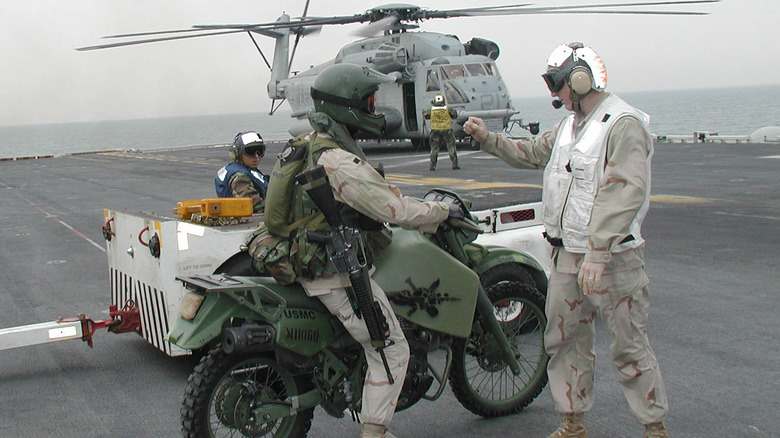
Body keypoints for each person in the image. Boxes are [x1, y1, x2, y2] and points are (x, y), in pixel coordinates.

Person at [464, 42, 669, 438]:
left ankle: (654, 427)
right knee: (563, 341)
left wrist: (597, 251)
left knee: (629, 347)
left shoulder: (622, 123)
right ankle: (572, 423)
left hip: (611, 260)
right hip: (567, 258)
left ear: (580, 78)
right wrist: (489, 139)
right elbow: (531, 152)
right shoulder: (569, 127)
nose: (552, 92)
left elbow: (624, 191)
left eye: (555, 82)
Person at [262, 63, 456, 438]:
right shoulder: (336, 160)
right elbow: (393, 210)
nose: (373, 110)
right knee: (392, 350)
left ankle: (354, 394)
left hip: (301, 260)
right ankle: (374, 432)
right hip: (333, 273)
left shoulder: (306, 144)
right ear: (345, 108)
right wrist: (439, 212)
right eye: (367, 102)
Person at [214, 131, 268, 213]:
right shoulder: (239, 177)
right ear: (238, 154)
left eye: (260, 151)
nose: (256, 156)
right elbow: (256, 207)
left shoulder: (244, 169)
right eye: (250, 151)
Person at [422, 94, 459, 170]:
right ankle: (454, 164)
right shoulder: (447, 109)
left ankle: (432, 166)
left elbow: (425, 115)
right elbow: (455, 115)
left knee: (434, 148)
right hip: (447, 129)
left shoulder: (431, 110)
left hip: (435, 130)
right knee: (451, 146)